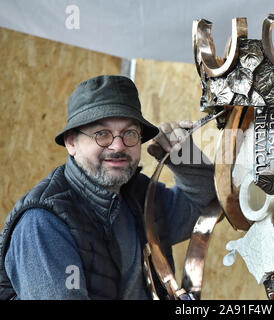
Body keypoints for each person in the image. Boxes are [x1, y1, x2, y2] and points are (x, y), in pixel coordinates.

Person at [0, 75, 217, 300]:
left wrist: (184, 155)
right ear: (71, 142)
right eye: (101, 134)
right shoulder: (43, 224)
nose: (118, 146)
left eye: (129, 133)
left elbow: (205, 206)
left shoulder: (139, 197)